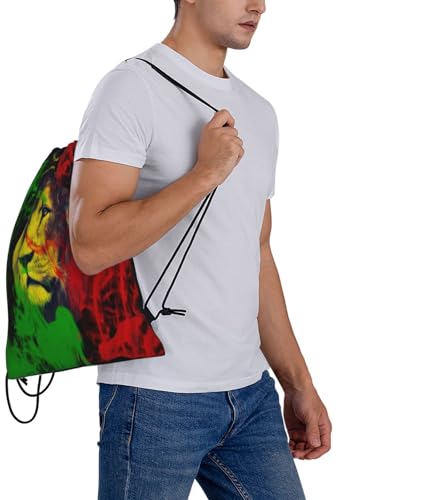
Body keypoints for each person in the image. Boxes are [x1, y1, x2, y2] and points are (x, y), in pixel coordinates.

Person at [69, 0, 332, 498]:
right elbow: (90, 243)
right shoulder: (131, 88)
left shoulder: (260, 111)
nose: (259, 6)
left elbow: (257, 254)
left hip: (250, 398)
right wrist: (206, 173)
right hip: (154, 395)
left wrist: (298, 383)